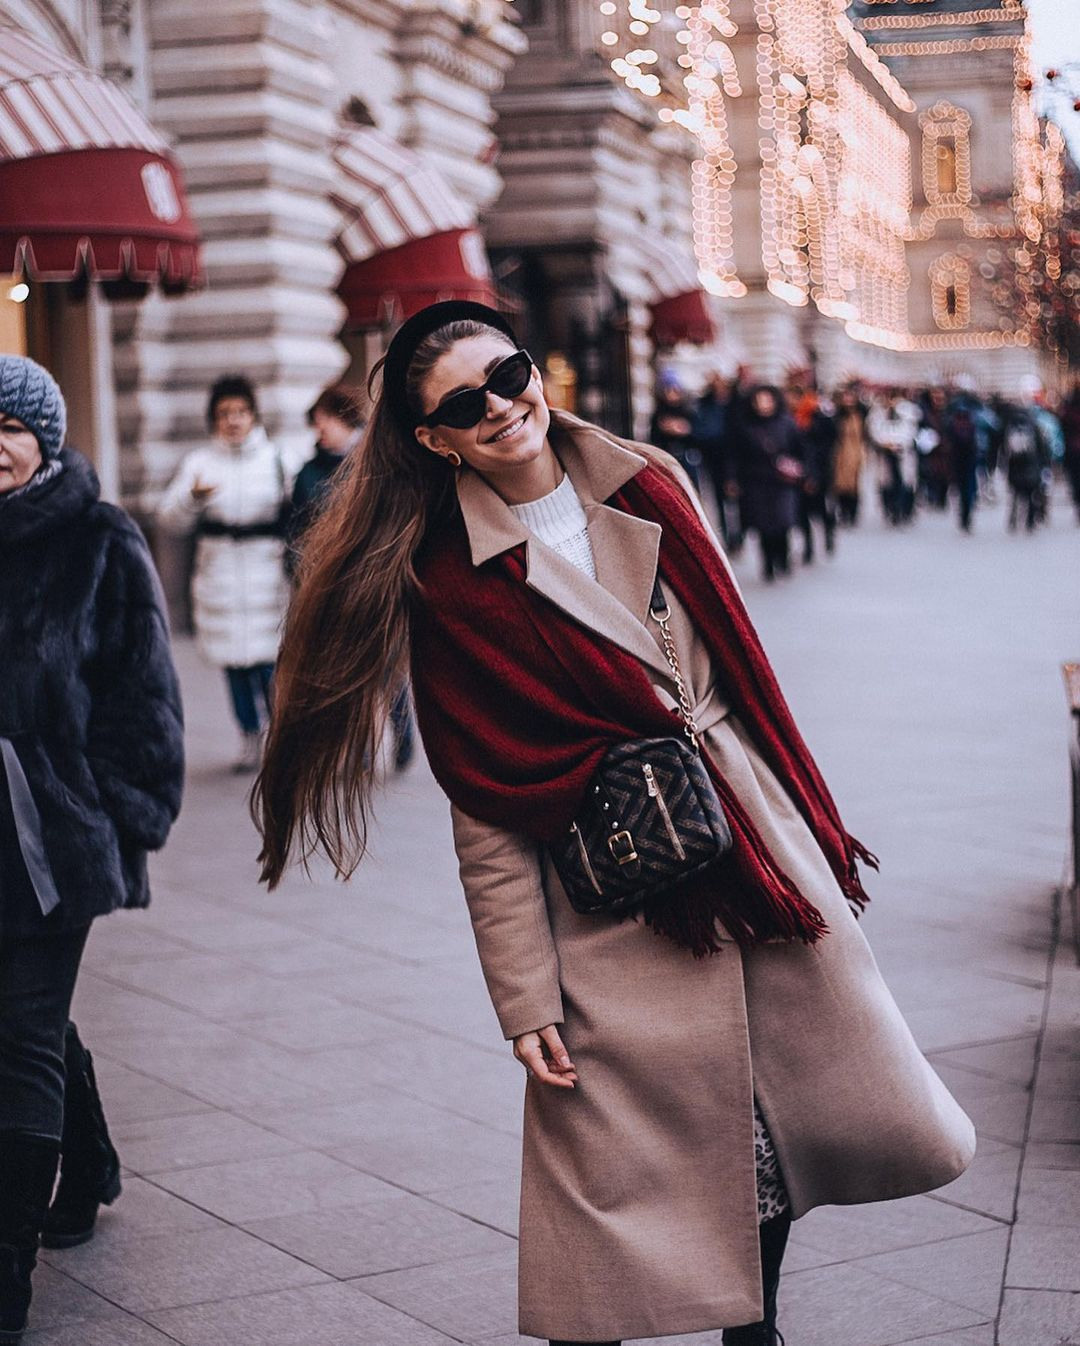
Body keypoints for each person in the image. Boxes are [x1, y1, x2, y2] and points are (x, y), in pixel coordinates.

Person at [252, 300, 975, 1346]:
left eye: (509, 375)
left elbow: (741, 668)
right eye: (465, 404)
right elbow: (487, 805)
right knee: (604, 1168)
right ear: (434, 439)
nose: (501, 407)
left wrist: (801, 839)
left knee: (772, 1129)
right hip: (610, 889)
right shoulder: (446, 580)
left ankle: (756, 1331)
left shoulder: (651, 481)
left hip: (743, 839)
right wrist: (523, 997)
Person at [0, 356, 184, 1343]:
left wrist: (120, 815)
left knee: (21, 1032)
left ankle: (7, 1274)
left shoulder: (99, 537)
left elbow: (143, 691)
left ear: (45, 439)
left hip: (50, 836)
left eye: (9, 428)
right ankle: (91, 1160)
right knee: (27, 1021)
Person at [158, 375, 292, 772]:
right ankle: (250, 736)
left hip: (268, 573)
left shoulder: (277, 460)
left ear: (253, 415)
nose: (233, 420)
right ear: (214, 419)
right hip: (219, 576)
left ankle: (281, 737)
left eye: (240, 412)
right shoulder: (199, 463)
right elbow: (169, 520)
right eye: (224, 413)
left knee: (271, 667)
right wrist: (192, 498)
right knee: (234, 667)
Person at [287, 383, 414, 770]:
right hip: (329, 587)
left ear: (343, 419)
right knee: (346, 672)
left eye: (323, 421)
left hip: (374, 583)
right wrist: (299, 574)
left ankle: (403, 731)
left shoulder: (377, 463)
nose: (319, 430)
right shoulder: (308, 472)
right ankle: (360, 750)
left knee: (386, 667)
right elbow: (295, 529)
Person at [726, 385, 804, 582]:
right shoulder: (745, 426)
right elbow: (734, 455)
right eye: (759, 401)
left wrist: (804, 472)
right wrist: (732, 479)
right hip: (755, 481)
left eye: (767, 400)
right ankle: (768, 562)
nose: (763, 405)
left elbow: (799, 450)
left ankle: (782, 556)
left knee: (783, 521)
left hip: (782, 481)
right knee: (763, 525)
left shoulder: (786, 423)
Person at [786, 382, 837, 563]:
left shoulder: (819, 417)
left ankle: (828, 534)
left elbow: (827, 445)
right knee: (802, 512)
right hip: (798, 473)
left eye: (793, 397)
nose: (790, 401)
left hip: (819, 471)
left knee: (820, 509)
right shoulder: (789, 418)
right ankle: (808, 547)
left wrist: (814, 475)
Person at [867, 390, 919, 526]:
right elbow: (874, 431)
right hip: (885, 454)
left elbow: (911, 431)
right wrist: (885, 443)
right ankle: (890, 509)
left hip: (903, 454)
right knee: (887, 483)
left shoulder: (907, 411)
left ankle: (903, 510)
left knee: (904, 483)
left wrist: (900, 444)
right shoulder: (879, 412)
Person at [649, 376, 701, 489]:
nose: (671, 393)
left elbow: (699, 436)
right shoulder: (659, 412)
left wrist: (685, 430)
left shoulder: (687, 411)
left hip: (686, 457)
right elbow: (653, 437)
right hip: (667, 456)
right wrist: (664, 429)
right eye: (668, 390)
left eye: (674, 389)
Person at [831, 386, 869, 525]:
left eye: (850, 397)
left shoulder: (861, 414)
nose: (848, 400)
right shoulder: (837, 415)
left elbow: (865, 435)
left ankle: (853, 512)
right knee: (840, 485)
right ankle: (843, 511)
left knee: (854, 485)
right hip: (840, 453)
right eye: (846, 397)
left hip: (855, 452)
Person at [1061, 383, 1080, 524]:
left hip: (1072, 452)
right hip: (1073, 450)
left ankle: (1078, 505)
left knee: (1075, 481)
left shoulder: (1067, 412)